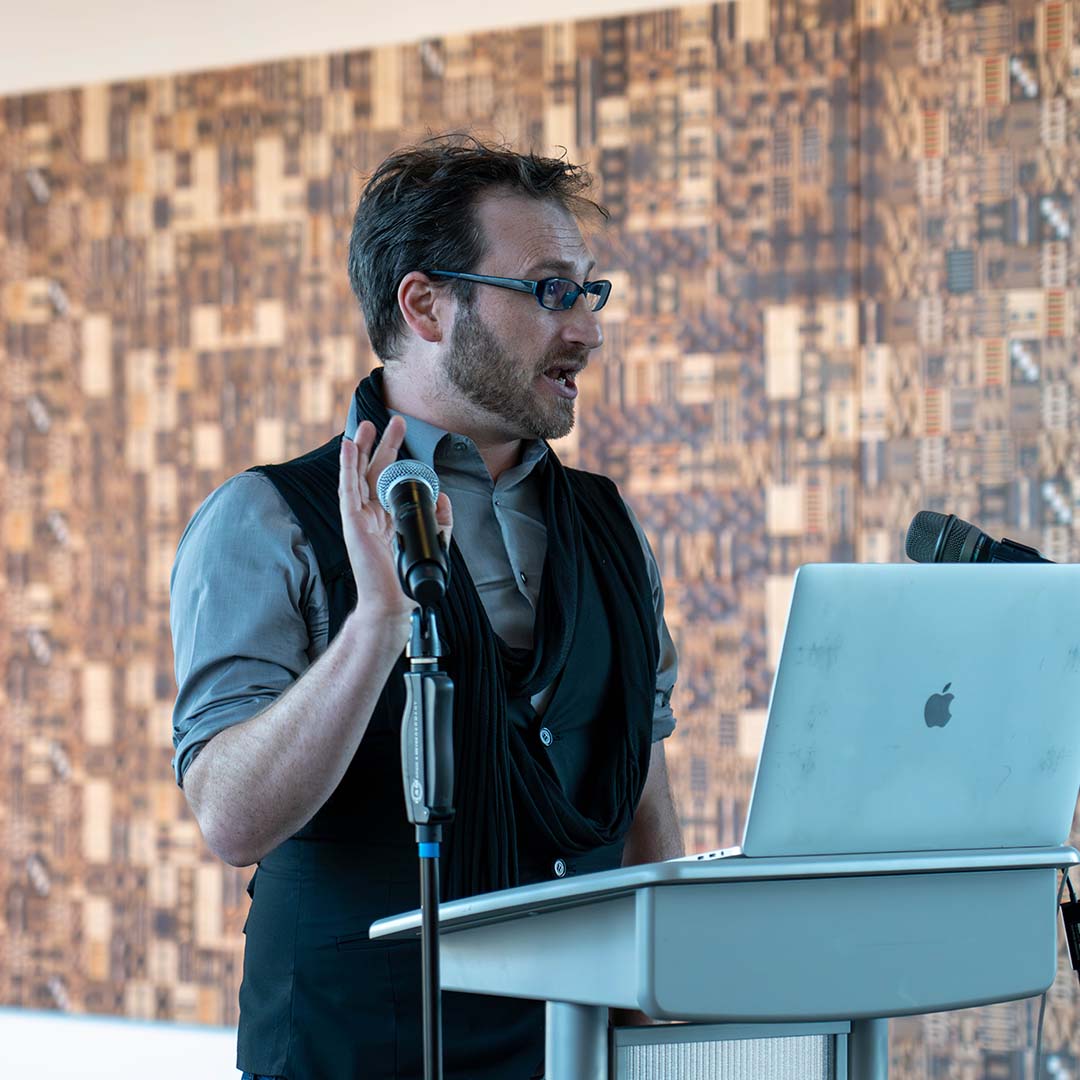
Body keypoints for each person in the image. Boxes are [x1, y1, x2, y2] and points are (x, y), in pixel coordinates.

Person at [170, 136, 683, 1080]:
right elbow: (232, 819)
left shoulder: (612, 528)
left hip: (575, 1052)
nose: (588, 330)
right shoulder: (267, 520)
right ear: (426, 304)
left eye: (588, 292)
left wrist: (663, 1041)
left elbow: (640, 798)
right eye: (548, 290)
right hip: (347, 1052)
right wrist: (375, 627)